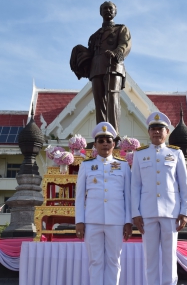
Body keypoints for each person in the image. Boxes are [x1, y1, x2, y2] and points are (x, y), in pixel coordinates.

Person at [131, 112, 187, 285]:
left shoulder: (176, 153)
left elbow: (183, 185)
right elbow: (135, 186)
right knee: (150, 257)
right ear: (149, 132)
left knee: (169, 257)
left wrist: (185, 211)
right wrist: (135, 212)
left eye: (160, 129)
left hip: (171, 212)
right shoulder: (140, 154)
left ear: (167, 133)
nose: (156, 132)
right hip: (147, 213)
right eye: (153, 129)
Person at [75, 122, 132, 285]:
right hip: (92, 220)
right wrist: (79, 221)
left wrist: (128, 221)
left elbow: (128, 196)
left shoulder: (123, 166)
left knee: (114, 261)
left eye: (108, 140)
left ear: (114, 144)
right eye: (101, 140)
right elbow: (79, 196)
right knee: (95, 261)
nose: (105, 143)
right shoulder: (86, 166)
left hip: (116, 221)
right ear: (95, 144)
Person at [70, 1, 132, 136]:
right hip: (96, 69)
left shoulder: (121, 29)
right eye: (104, 9)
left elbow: (125, 44)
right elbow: (91, 53)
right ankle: (102, 135)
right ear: (100, 12)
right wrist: (79, 53)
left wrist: (116, 53)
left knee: (112, 99)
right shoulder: (94, 36)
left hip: (113, 66)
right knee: (99, 102)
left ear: (115, 12)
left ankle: (113, 135)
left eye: (111, 8)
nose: (108, 11)